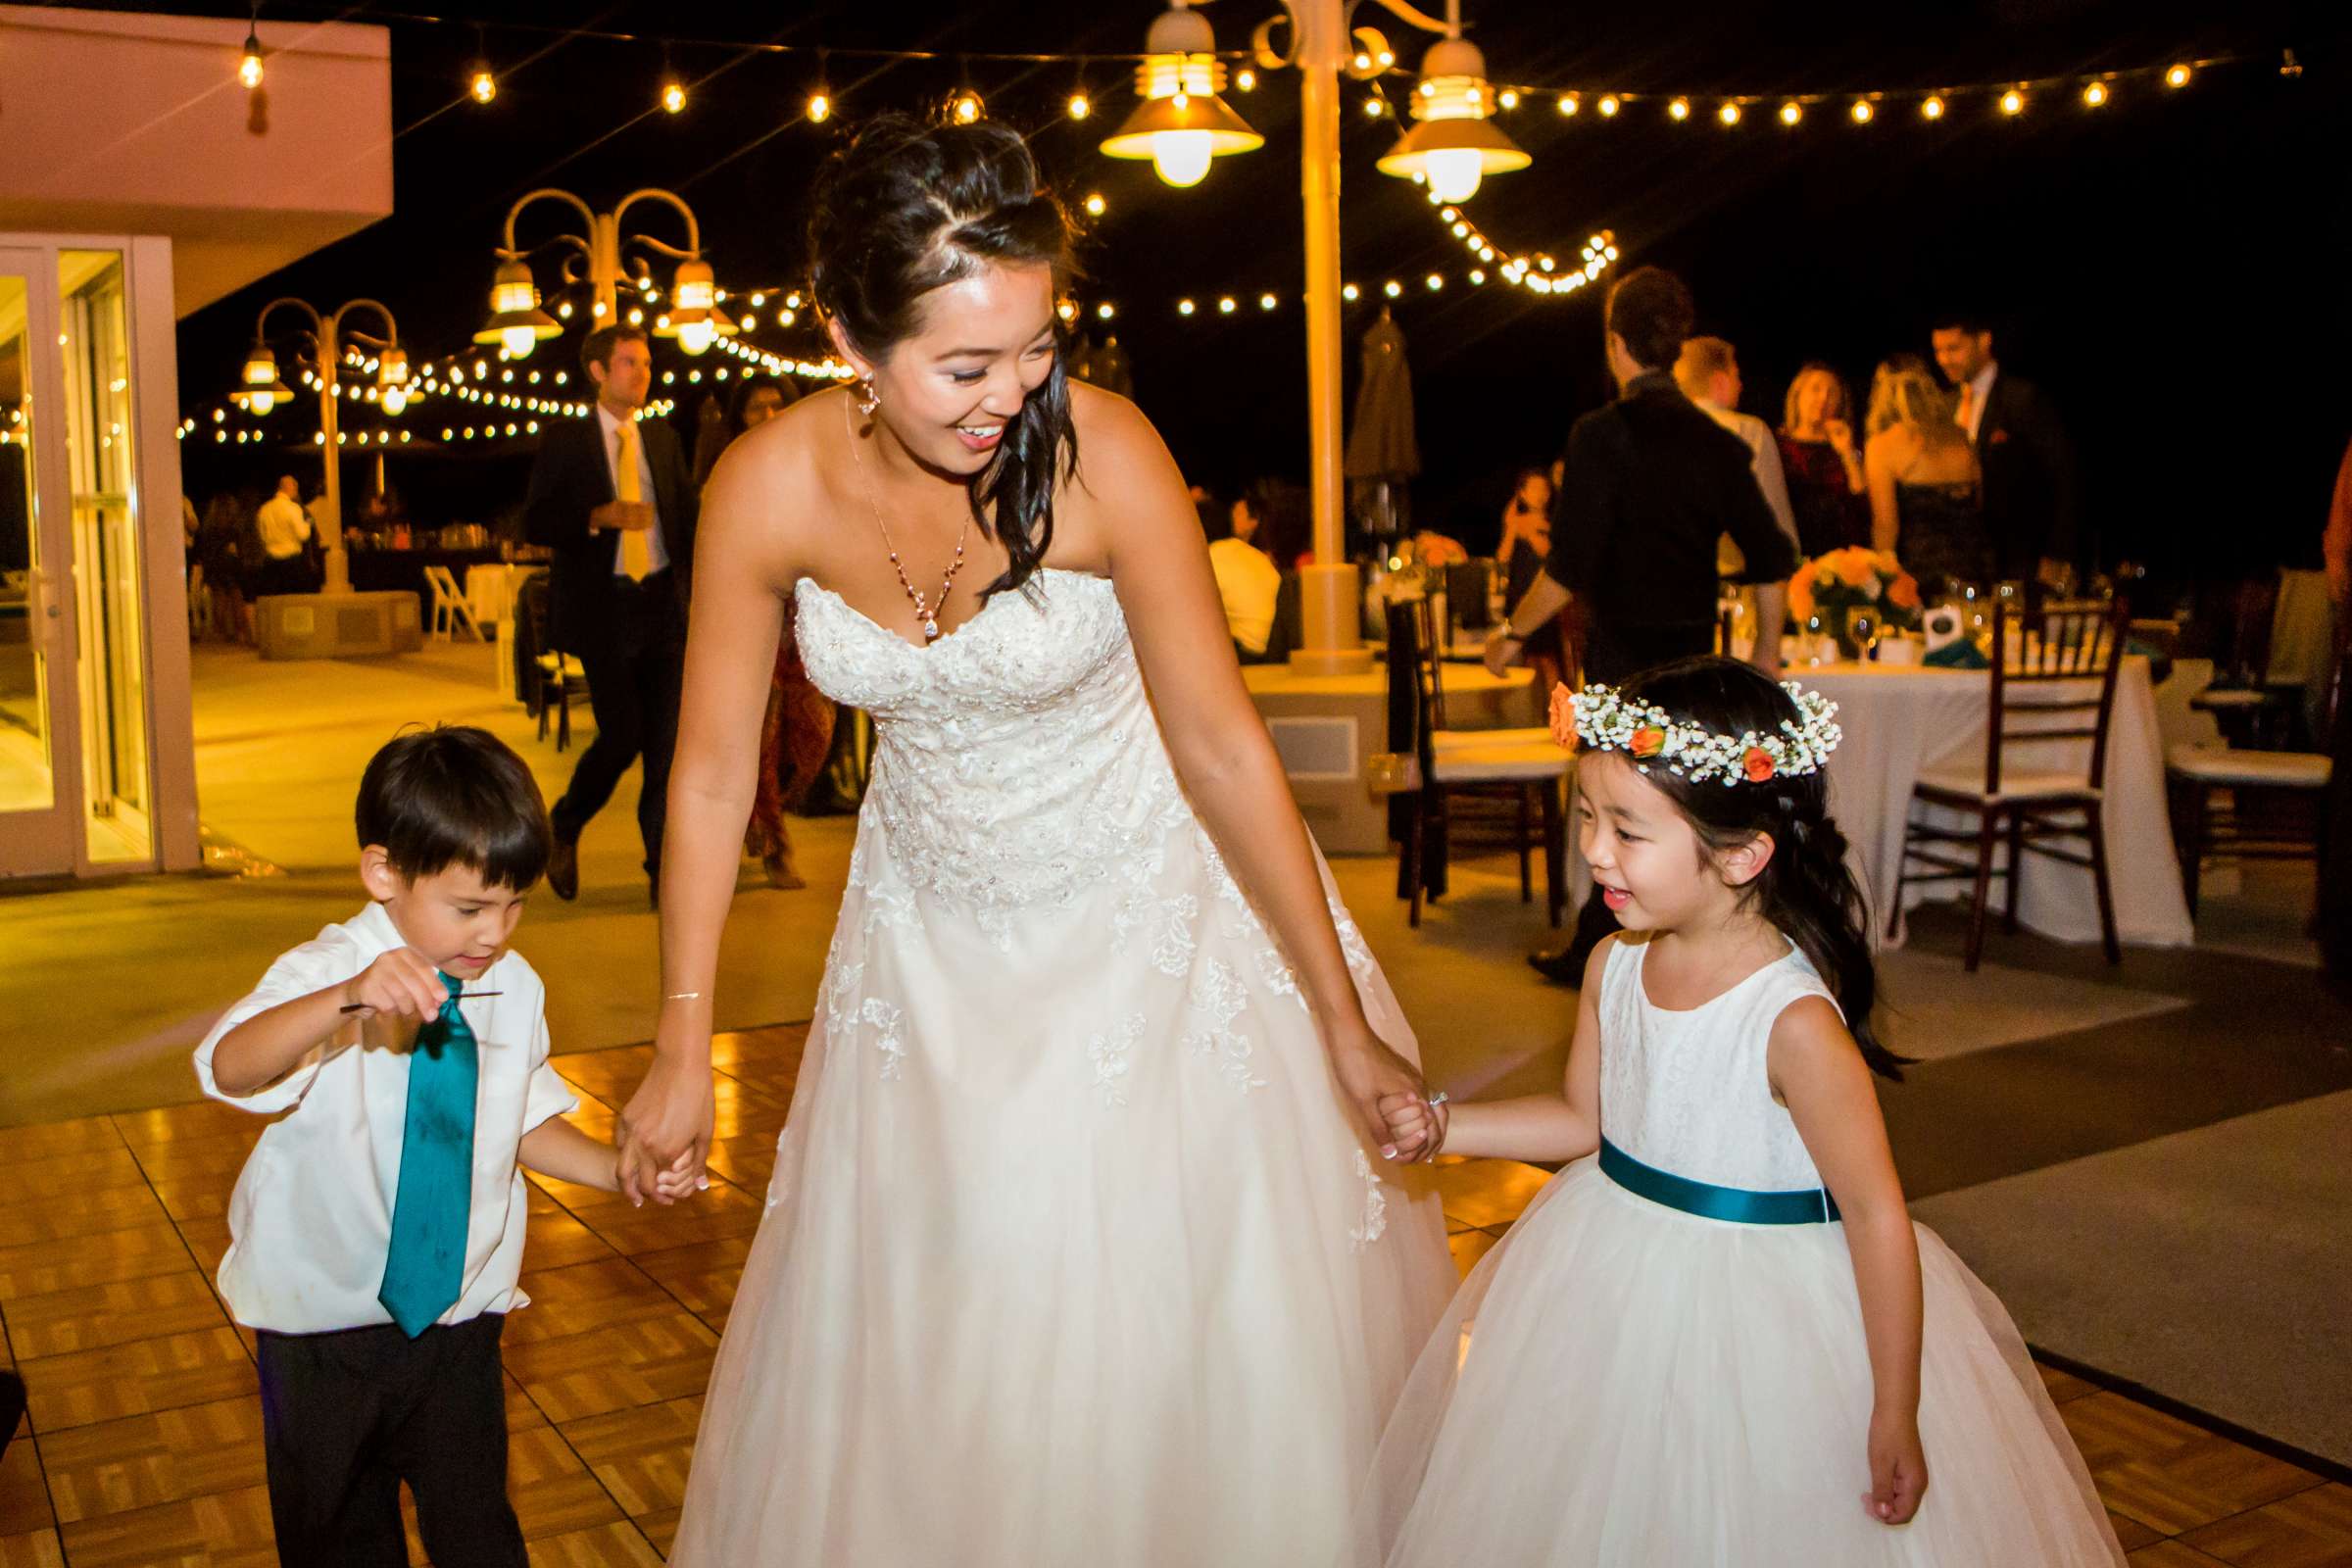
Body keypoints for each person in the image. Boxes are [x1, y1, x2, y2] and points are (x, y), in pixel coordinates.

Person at [622, 115, 1455, 1565]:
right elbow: (706, 781)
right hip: (926, 962)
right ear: (845, 337)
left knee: (1165, 1346)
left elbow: (1219, 741)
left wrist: (1338, 1013)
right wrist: (681, 1040)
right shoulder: (764, 488)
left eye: (1036, 349)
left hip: (1156, 930)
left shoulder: (1108, 454)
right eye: (964, 365)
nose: (1012, 394)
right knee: (950, 1341)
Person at [1358, 659, 2128, 1568]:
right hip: (1608, 1282)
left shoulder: (1792, 1022)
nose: (1595, 852)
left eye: (1629, 831)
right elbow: (1582, 1122)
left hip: (1763, 1330)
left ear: (1741, 854)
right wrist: (1449, 1125)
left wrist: (1894, 1404)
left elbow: (1879, 1217)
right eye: (1587, 819)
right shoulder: (1613, 966)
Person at [190, 726, 698, 1568]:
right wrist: (344, 1001)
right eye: (469, 908)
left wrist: (617, 1170)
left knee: (478, 1535)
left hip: (460, 1324)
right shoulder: (330, 969)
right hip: (323, 1331)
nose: (495, 932)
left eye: (515, 904)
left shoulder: (514, 982)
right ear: (384, 873)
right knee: (338, 1540)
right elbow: (230, 1065)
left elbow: (520, 1120)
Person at [1486, 266, 1794, 986]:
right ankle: (1656, 943)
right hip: (1690, 661)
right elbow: (1772, 555)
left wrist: (1510, 634)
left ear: (1616, 344)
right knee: (1675, 810)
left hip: (1623, 661)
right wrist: (1766, 656)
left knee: (1614, 813)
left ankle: (1601, 955)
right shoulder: (1717, 441)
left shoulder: (1601, 435)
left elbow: (1566, 569)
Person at [524, 323, 700, 907]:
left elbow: (690, 520)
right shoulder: (566, 441)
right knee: (623, 735)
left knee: (667, 752)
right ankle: (567, 823)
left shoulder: (664, 440)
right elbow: (536, 522)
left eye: (646, 362)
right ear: (599, 372)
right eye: (629, 362)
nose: (642, 372)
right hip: (606, 611)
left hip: (662, 609)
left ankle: (663, 875)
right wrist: (595, 514)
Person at [712, 378, 837, 889]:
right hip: (753, 622)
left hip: (808, 619)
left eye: (775, 404)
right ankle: (775, 845)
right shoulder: (730, 472)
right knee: (760, 740)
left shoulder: (817, 467)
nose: (766, 413)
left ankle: (761, 818)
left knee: (813, 738)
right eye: (755, 406)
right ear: (740, 417)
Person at [1930, 313, 2079, 585]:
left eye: (1954, 348)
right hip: (1963, 561)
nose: (1944, 359)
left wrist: (2058, 553)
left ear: (1984, 341)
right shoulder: (1944, 405)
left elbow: (2064, 476)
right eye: (1938, 351)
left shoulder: (2022, 399)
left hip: (2021, 558)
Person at [1865, 355, 1991, 594]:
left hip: (1918, 578)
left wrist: (1881, 584)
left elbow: (1885, 526)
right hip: (1974, 571)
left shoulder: (1882, 445)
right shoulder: (1960, 437)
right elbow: (1978, 504)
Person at [1672, 335, 1800, 551]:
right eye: (1736, 376)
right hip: (1734, 580)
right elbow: (1773, 521)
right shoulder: (1749, 431)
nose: (1741, 385)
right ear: (1720, 381)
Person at [1778, 362, 1871, 556]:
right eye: (1816, 389)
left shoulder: (1849, 445)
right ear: (1798, 394)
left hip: (1841, 554)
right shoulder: (1778, 445)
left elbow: (1862, 501)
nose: (1823, 398)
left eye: (1832, 392)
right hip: (1793, 553)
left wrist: (1847, 452)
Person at [1495, 466, 1570, 692]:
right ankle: (1539, 709)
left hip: (1545, 598)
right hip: (1522, 596)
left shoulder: (1554, 522)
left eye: (1544, 489)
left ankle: (1556, 708)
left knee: (1550, 658)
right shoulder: (1515, 521)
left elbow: (1549, 554)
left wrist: (1530, 531)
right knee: (1531, 658)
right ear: (1522, 493)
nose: (1540, 494)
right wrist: (1511, 527)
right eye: (1534, 489)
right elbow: (1503, 556)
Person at [1202, 482, 1283, 662]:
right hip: (1271, 644)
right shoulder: (1258, 557)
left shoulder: (1217, 555)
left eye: (1239, 513)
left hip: (1246, 649)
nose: (1232, 516)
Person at [197, 491, 255, 645]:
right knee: (236, 598)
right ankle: (241, 632)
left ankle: (220, 632)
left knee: (219, 600)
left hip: (214, 566)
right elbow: (237, 550)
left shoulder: (208, 529)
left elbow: (204, 550)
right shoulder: (233, 529)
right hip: (231, 566)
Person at [254, 474, 315, 596]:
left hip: (271, 560)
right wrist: (308, 523)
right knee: (293, 599)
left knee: (274, 599)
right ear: (291, 488)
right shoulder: (293, 508)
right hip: (292, 561)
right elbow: (303, 535)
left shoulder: (264, 509)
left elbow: (262, 535)